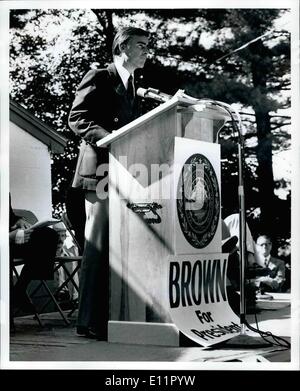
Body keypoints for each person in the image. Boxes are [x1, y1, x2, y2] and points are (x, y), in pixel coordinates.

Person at [68, 27, 150, 340]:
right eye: (141, 45)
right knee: (98, 246)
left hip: (124, 173)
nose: (146, 51)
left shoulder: (134, 87)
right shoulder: (99, 76)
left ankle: (112, 318)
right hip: (98, 172)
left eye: (147, 46)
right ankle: (88, 321)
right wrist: (110, 138)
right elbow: (77, 118)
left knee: (120, 248)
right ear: (122, 46)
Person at [9, 195, 59, 313]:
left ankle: (20, 289)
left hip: (13, 235)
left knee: (48, 235)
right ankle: (18, 293)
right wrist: (9, 237)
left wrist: (17, 220)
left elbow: (9, 216)